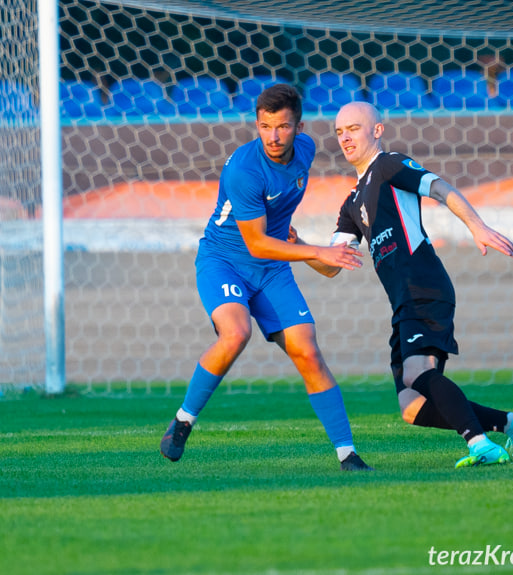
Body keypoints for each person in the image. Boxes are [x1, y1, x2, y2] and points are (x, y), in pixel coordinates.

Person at [159, 84, 373, 471]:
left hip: (272, 267)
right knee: (236, 332)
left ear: (299, 127)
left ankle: (348, 455)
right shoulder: (245, 170)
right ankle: (182, 422)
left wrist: (304, 241)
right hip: (225, 260)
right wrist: (316, 250)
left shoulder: (305, 150)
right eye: (264, 126)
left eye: (283, 127)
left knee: (307, 350)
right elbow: (256, 243)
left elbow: (276, 233)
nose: (273, 136)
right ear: (256, 124)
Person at [321, 101, 513, 468]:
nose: (345, 138)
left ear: (376, 130)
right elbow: (331, 266)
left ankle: (479, 444)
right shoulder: (352, 201)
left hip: (423, 285)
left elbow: (439, 188)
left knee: (417, 374)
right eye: (339, 132)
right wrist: (296, 248)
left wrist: (478, 227)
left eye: (354, 128)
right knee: (411, 406)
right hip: (404, 301)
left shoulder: (389, 165)